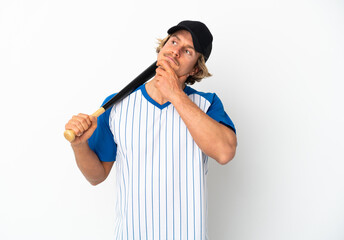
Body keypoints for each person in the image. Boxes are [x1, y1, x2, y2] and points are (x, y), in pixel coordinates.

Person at [65, 20, 237, 239]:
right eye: (173, 41)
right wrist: (79, 146)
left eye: (187, 50)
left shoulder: (208, 105)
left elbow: (225, 152)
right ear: (162, 47)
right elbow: (96, 176)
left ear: (196, 68)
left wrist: (174, 93)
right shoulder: (117, 105)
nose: (175, 51)